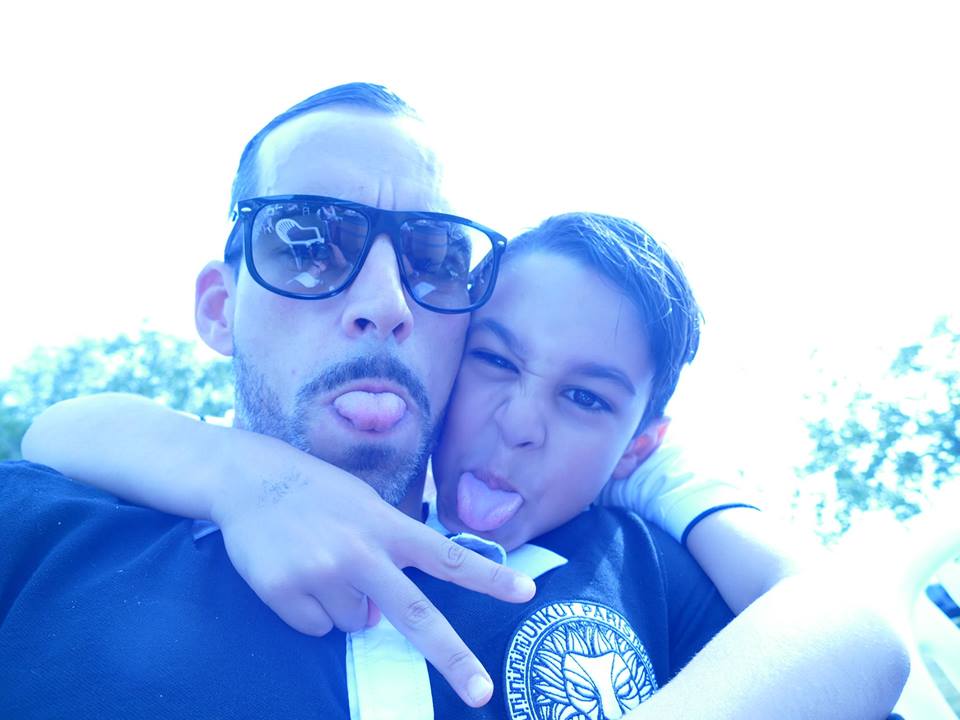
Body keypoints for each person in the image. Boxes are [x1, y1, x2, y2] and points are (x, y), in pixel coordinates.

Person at [5, 84, 906, 718]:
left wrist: (676, 481)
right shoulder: (43, 526)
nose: (385, 301)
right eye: (309, 244)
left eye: (433, 259)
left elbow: (847, 628)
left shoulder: (644, 571)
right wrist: (237, 472)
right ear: (217, 307)